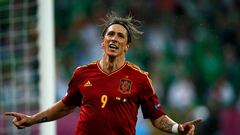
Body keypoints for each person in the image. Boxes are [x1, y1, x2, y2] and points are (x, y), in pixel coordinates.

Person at [5, 12, 201, 135]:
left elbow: (157, 117)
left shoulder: (140, 79)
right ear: (103, 41)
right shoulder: (82, 73)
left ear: (127, 46)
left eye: (120, 36)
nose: (114, 38)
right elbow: (65, 106)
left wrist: (177, 128)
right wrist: (32, 119)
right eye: (110, 34)